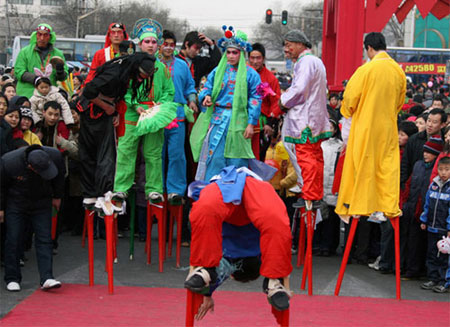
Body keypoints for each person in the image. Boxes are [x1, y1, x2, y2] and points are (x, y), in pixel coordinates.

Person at [184, 166, 292, 312]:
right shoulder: (241, 256)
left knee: (205, 209)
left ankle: (274, 282)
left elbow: (220, 273)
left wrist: (206, 291)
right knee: (275, 221)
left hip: (233, 190)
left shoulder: (232, 259)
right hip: (249, 190)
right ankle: (274, 281)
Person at [335, 32, 406, 220]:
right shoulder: (398, 71)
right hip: (388, 129)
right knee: (386, 168)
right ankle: (386, 205)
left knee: (362, 168)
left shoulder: (365, 70)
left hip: (365, 128)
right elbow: (400, 103)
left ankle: (360, 205)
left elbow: (349, 101)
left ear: (369, 48)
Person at [76, 52, 158, 210]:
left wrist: (115, 112)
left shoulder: (125, 69)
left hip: (106, 110)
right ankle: (97, 193)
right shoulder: (114, 73)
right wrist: (108, 108)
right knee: (101, 154)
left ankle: (99, 192)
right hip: (94, 111)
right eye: (140, 76)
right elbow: (89, 91)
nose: (141, 80)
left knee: (104, 153)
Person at [113, 19, 175, 204]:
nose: (150, 45)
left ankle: (154, 189)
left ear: (158, 45)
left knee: (153, 153)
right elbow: (125, 89)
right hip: (134, 113)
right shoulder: (131, 65)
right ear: (140, 44)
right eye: (147, 41)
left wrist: (159, 106)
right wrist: (135, 105)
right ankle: (121, 188)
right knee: (126, 151)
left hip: (155, 114)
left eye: (154, 42)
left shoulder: (162, 68)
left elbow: (169, 91)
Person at [192, 26, 261, 181]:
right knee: (215, 158)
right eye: (228, 52)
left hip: (239, 121)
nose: (230, 56)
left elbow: (255, 99)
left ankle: (235, 198)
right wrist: (206, 96)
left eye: (234, 52)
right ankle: (213, 196)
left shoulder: (251, 74)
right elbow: (206, 88)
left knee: (237, 161)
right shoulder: (218, 71)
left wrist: (251, 123)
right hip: (218, 118)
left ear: (242, 54)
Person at [1, 145, 65, 292]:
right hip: (16, 202)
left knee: (45, 238)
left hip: (42, 201)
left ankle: (47, 277)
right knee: (13, 238)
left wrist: (57, 196)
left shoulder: (54, 156)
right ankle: (12, 278)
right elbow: (1, 187)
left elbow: (60, 177)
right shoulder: (9, 162)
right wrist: (1, 209)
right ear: (30, 166)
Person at [280, 29, 331, 206]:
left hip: (304, 120)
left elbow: (300, 90)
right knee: (315, 157)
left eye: (289, 45)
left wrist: (283, 100)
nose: (286, 49)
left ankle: (309, 194)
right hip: (314, 118)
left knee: (306, 157)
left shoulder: (306, 62)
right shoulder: (315, 61)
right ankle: (314, 193)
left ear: (300, 44)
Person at [159, 30, 197, 203]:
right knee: (156, 155)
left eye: (171, 45)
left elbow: (190, 86)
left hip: (178, 116)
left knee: (176, 154)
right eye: (165, 44)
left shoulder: (182, 65)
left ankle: (175, 190)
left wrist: (191, 100)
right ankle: (157, 187)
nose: (168, 48)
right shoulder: (152, 63)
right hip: (157, 116)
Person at [401, 139, 443, 279]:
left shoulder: (436, 170)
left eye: (429, 152)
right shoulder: (418, 165)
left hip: (427, 210)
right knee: (410, 240)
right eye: (425, 151)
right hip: (412, 207)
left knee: (422, 243)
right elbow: (409, 184)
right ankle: (407, 268)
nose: (425, 154)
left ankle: (419, 271)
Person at [420, 156, 450, 291]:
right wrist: (424, 220)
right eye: (441, 169)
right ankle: (432, 278)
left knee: (444, 256)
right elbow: (427, 204)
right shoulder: (433, 185)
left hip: (444, 230)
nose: (443, 172)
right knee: (431, 253)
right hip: (431, 227)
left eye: (447, 170)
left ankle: (443, 281)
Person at [14, 24, 68, 99]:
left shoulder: (58, 54)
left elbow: (63, 77)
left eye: (45, 35)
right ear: (36, 35)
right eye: (39, 34)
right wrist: (37, 79)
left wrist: (60, 72)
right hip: (27, 95)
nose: (42, 38)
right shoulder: (24, 52)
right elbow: (18, 71)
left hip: (49, 95)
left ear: (50, 37)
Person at [248, 43, 281, 161]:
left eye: (258, 58)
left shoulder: (270, 78)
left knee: (258, 156)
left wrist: (270, 123)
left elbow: (276, 102)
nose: (255, 61)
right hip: (242, 119)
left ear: (263, 59)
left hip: (262, 123)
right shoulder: (242, 73)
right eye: (252, 58)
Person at [401, 108, 447, 189]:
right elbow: (405, 163)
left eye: (434, 122)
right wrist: (403, 183)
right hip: (414, 184)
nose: (430, 124)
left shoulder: (445, 141)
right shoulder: (414, 139)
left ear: (443, 124)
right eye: (429, 120)